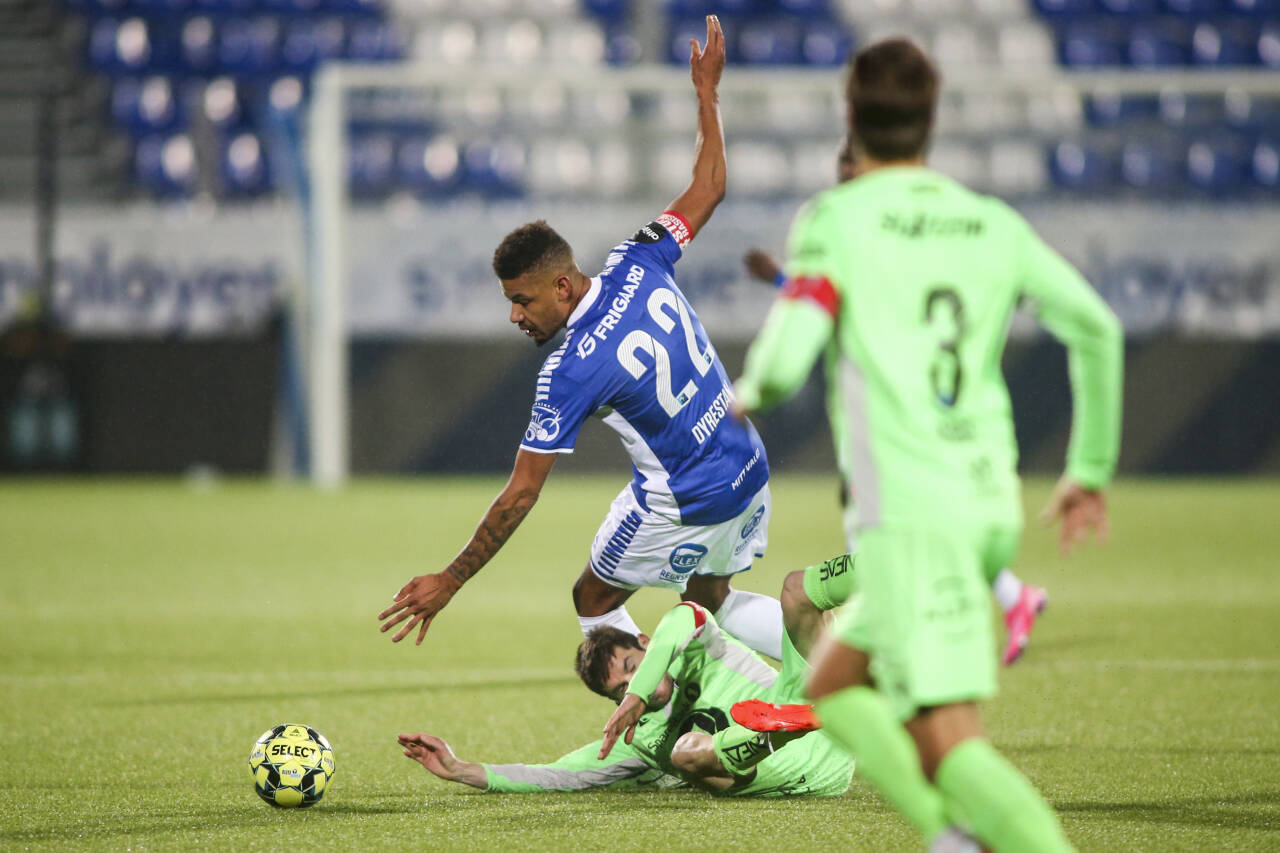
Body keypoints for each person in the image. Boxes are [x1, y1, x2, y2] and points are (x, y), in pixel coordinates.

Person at [731, 38, 1122, 853]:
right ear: (930, 121)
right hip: (984, 501)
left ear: (851, 115)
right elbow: (1095, 326)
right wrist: (1087, 468)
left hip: (912, 516)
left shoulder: (835, 217)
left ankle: (972, 835)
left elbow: (786, 360)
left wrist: (748, 391)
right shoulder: (991, 222)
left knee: (952, 740)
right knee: (833, 680)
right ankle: (951, 838)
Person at [378, 16, 785, 661]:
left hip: (687, 497)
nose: (515, 317)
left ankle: (655, 722)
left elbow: (522, 492)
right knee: (712, 598)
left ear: (562, 287)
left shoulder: (569, 367)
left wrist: (450, 580)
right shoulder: (639, 258)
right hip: (749, 463)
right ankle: (841, 658)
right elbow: (709, 187)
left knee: (593, 600)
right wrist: (707, 93)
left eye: (521, 300)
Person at [741, 141, 1049, 667]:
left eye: (852, 173)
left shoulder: (868, 236)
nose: (848, 185)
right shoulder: (870, 236)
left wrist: (756, 388)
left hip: (895, 419)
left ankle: (914, 646)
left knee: (886, 543)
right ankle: (999, 603)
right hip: (899, 420)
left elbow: (842, 308)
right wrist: (779, 279)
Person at [399, 554, 858, 797]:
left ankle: (896, 561)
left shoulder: (695, 640)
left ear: (644, 642)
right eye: (619, 690)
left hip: (821, 714)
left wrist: (637, 692)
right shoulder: (638, 736)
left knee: (798, 589)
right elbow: (559, 775)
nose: (634, 689)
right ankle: (775, 732)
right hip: (799, 775)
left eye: (632, 670)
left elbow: (683, 617)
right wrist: (461, 769)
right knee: (686, 755)